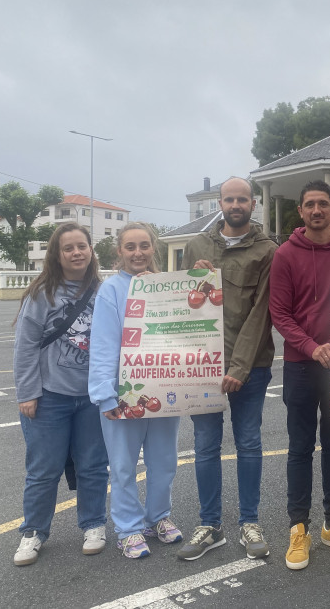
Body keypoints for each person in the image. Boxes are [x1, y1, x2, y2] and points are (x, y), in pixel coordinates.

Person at [269, 179, 330, 570]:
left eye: (323, 204)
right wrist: (312, 346)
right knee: (298, 448)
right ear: (300, 211)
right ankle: (298, 527)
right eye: (309, 204)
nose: (316, 210)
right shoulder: (285, 255)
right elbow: (280, 314)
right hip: (300, 366)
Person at [176, 177, 277, 561]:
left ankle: (249, 522)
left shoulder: (269, 250)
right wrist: (194, 277)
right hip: (203, 364)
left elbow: (262, 312)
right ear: (219, 203)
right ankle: (210, 525)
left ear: (253, 204)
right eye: (229, 199)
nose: (235, 204)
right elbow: (185, 306)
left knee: (249, 443)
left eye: (242, 199)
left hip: (250, 366)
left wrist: (239, 366)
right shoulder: (197, 245)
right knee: (205, 446)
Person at [12, 222, 108, 566]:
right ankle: (34, 531)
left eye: (82, 246)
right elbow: (25, 347)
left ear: (91, 250)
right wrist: (27, 393)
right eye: (68, 248)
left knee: (94, 466)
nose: (77, 252)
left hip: (93, 397)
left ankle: (94, 524)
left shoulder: (103, 291)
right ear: (57, 254)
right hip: (50, 395)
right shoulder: (43, 293)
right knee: (43, 469)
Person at [88, 222, 183, 559]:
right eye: (131, 247)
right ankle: (128, 528)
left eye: (144, 245)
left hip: (164, 386)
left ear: (153, 248)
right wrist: (104, 393)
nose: (138, 253)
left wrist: (202, 280)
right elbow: (102, 344)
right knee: (124, 464)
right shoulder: (112, 289)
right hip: (122, 391)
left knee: (164, 461)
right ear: (120, 251)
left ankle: (158, 517)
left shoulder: (167, 286)